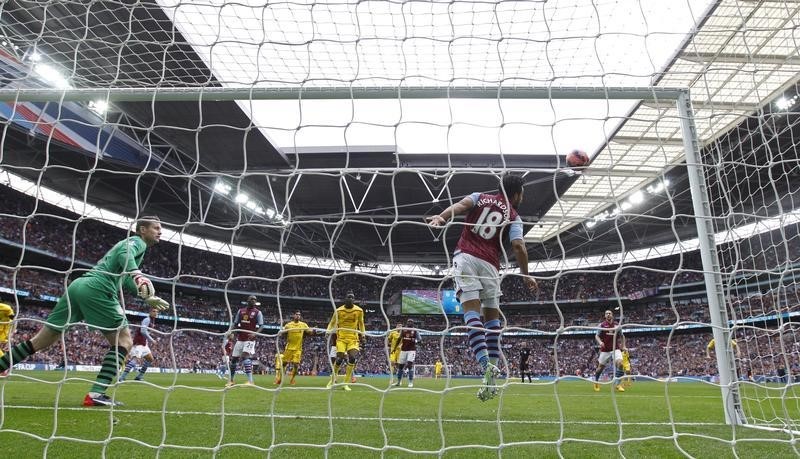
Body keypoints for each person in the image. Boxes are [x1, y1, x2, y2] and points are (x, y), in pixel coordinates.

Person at [0, 217, 168, 406]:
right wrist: (138, 274)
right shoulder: (137, 242)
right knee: (124, 340)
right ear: (143, 229)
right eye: (156, 227)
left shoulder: (135, 248)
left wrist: (146, 296)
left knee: (41, 341)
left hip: (78, 286)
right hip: (98, 289)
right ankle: (96, 394)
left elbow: (125, 279)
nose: (160, 231)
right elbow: (125, 254)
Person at [427, 174, 537, 401]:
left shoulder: (480, 197)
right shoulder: (514, 216)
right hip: (490, 265)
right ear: (516, 194)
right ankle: (491, 381)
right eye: (522, 195)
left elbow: (460, 206)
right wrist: (525, 275)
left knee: (470, 312)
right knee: (492, 321)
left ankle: (486, 364)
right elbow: (518, 246)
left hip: (466, 257)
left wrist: (442, 217)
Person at [326, 291, 365, 391]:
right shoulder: (338, 311)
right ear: (345, 299)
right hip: (341, 339)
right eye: (349, 297)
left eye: (352, 297)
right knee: (339, 359)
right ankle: (332, 380)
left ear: (354, 300)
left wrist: (363, 335)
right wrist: (327, 331)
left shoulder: (359, 310)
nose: (350, 299)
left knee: (352, 358)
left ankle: (345, 383)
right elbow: (332, 322)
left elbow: (361, 324)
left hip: (353, 339)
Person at [226, 295, 264, 387]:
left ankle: (250, 381)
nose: (254, 301)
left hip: (250, 340)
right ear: (248, 300)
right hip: (240, 339)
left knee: (245, 357)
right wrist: (231, 331)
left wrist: (255, 334)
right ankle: (231, 381)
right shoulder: (241, 311)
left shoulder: (258, 313)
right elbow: (235, 323)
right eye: (252, 299)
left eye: (255, 300)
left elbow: (261, 326)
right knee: (234, 359)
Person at [120, 307, 159, 382]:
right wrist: (152, 339)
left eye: (157, 312)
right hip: (139, 343)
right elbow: (143, 331)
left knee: (150, 359)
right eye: (154, 311)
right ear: (150, 312)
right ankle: (122, 377)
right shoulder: (147, 319)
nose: (155, 313)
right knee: (135, 360)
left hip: (144, 343)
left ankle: (139, 376)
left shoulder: (152, 320)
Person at [593, 310, 627, 392]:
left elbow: (622, 336)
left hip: (615, 349)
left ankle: (618, 384)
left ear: (612, 315)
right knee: (600, 368)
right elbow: (596, 336)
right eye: (606, 313)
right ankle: (596, 382)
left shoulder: (617, 325)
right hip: (605, 350)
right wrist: (600, 342)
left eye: (610, 313)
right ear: (605, 316)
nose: (608, 314)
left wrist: (624, 346)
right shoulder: (601, 325)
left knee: (620, 363)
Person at [277, 310, 312, 385]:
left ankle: (292, 379)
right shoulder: (288, 325)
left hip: (298, 349)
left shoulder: (303, 325)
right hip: (288, 348)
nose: (298, 316)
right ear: (294, 316)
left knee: (296, 365)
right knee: (284, 364)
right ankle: (279, 379)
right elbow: (282, 332)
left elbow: (309, 332)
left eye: (299, 315)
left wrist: (313, 331)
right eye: (296, 314)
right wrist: (280, 332)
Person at [393, 318, 421, 388]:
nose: (409, 323)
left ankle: (410, 382)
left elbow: (420, 339)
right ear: (406, 323)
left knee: (409, 365)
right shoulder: (403, 330)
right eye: (408, 322)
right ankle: (399, 382)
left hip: (411, 350)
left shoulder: (415, 331)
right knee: (400, 366)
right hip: (403, 350)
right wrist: (395, 347)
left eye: (411, 322)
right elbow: (399, 339)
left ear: (413, 323)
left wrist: (415, 342)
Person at [0, 302, 14, 377]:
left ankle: (4, 367)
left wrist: (10, 335)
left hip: (3, 331)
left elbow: (12, 317)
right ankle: (5, 366)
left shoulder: (6, 307)